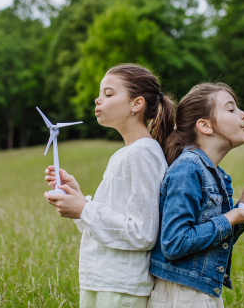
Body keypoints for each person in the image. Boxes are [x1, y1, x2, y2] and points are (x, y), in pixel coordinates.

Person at [44, 64, 175, 308]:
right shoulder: (124, 154)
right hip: (103, 281)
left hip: (120, 287)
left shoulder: (141, 154)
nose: (98, 99)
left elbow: (142, 233)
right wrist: (78, 197)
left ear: (136, 104)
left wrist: (84, 209)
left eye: (108, 93)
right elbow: (109, 224)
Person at [147, 83, 244, 308]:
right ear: (205, 126)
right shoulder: (188, 169)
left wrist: (243, 207)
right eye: (231, 109)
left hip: (200, 291)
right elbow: (174, 243)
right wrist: (232, 217)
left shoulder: (217, 175)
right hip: (181, 295)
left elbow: (211, 241)